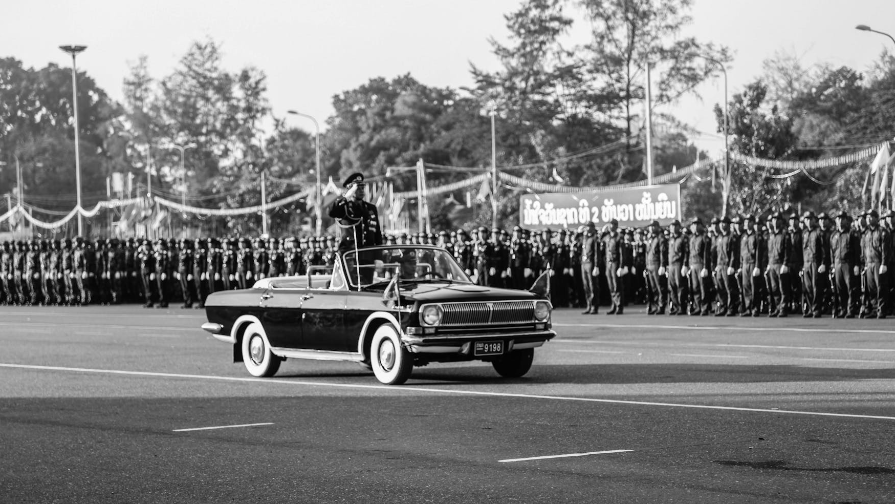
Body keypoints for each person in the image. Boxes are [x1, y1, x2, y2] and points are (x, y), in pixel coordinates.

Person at [328, 172, 384, 253]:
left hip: (368, 253)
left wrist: (379, 257)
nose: (361, 191)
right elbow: (331, 211)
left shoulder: (371, 208)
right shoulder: (344, 207)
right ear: (350, 190)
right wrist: (346, 197)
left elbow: (377, 234)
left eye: (362, 188)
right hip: (350, 254)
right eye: (357, 188)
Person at [830, 210, 860, 318]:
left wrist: (857, 264)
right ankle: (843, 309)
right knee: (840, 288)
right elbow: (832, 252)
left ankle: (850, 310)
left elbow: (857, 250)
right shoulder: (833, 235)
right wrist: (832, 265)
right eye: (838, 218)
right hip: (837, 263)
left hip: (848, 263)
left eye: (842, 218)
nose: (840, 220)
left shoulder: (851, 233)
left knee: (851, 288)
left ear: (846, 220)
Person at [860, 209, 889, 318]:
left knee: (880, 287)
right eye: (867, 217)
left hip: (878, 262)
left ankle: (881, 310)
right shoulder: (866, 233)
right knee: (871, 288)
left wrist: (884, 263)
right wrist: (864, 264)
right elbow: (863, 249)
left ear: (877, 218)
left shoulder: (882, 231)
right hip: (869, 263)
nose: (869, 218)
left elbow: (885, 249)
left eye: (871, 216)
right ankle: (874, 308)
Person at [801, 211, 827, 318]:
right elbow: (802, 250)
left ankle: (817, 308)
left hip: (815, 262)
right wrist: (802, 265)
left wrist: (823, 263)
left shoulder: (819, 232)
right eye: (806, 219)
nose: (808, 221)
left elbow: (824, 249)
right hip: (806, 262)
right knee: (808, 287)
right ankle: (811, 307)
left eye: (810, 219)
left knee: (816, 286)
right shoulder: (804, 233)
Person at [766, 213, 791, 317]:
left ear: (781, 221)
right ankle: (777, 307)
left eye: (777, 219)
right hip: (772, 263)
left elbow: (787, 250)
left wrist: (785, 264)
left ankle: (783, 308)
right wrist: (768, 264)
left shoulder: (785, 234)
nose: (775, 221)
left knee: (783, 288)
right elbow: (769, 251)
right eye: (774, 219)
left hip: (781, 264)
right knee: (774, 288)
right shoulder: (771, 235)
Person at [603, 219, 628, 315]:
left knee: (617, 285)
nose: (610, 226)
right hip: (608, 264)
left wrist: (621, 266)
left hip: (615, 263)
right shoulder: (607, 237)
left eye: (613, 224)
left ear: (616, 226)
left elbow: (622, 253)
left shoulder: (619, 237)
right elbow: (601, 243)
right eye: (610, 224)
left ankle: (619, 306)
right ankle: (613, 305)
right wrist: (603, 232)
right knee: (611, 286)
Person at [687, 218, 712, 316]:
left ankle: (704, 307)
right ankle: (698, 307)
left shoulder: (705, 238)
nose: (695, 226)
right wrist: (689, 266)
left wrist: (705, 267)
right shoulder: (692, 238)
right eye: (693, 224)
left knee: (703, 288)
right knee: (695, 288)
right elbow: (690, 253)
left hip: (701, 264)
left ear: (701, 225)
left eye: (697, 224)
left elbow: (706, 254)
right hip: (693, 265)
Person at [644, 221, 667, 315]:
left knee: (659, 286)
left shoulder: (660, 238)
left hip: (657, 264)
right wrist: (646, 267)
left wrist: (662, 265)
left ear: (657, 227)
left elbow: (663, 253)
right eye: (650, 227)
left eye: (653, 226)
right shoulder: (650, 238)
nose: (651, 228)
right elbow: (647, 253)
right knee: (653, 287)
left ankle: (661, 306)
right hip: (650, 264)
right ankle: (657, 305)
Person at [667, 220, 688, 315]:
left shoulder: (683, 238)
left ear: (679, 227)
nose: (673, 228)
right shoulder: (671, 239)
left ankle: (682, 307)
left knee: (680, 286)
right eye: (671, 226)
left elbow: (686, 252)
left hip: (679, 263)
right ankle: (675, 306)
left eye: (675, 226)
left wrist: (685, 265)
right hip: (671, 264)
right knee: (672, 287)